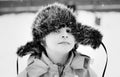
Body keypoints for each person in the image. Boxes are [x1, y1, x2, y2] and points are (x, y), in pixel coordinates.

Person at [16, 2, 103, 77]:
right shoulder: (31, 73)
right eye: (56, 30)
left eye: (69, 30)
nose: (65, 35)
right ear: (42, 40)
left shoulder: (84, 71)